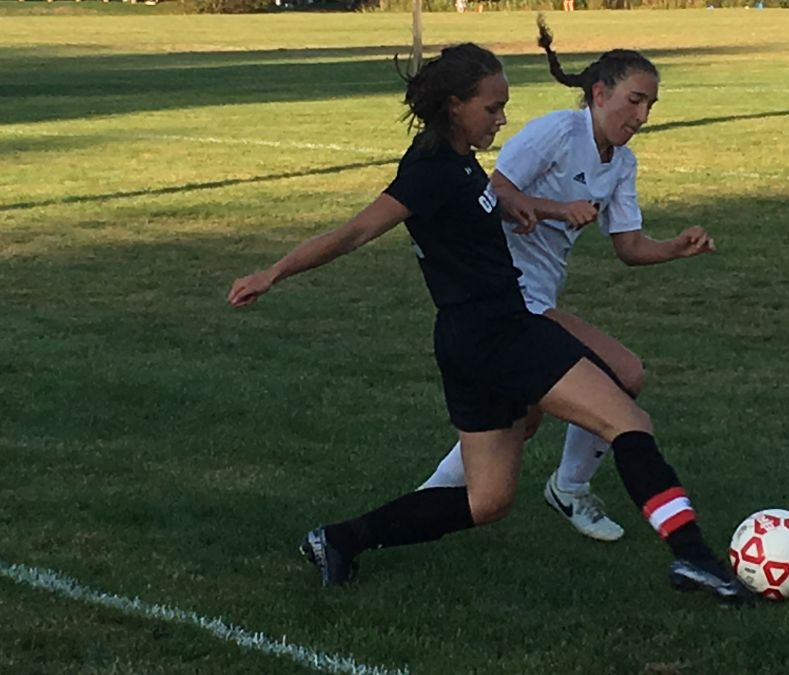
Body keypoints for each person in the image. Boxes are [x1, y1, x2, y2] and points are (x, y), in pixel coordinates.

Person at [226, 43, 745, 604]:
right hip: (502, 332)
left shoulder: (458, 158)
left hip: (468, 340)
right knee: (628, 420)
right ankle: (694, 558)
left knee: (488, 500)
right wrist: (272, 273)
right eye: (492, 108)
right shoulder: (430, 171)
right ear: (455, 105)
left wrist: (520, 206)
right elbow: (352, 233)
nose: (502, 119)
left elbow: (480, 205)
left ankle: (338, 539)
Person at [418, 17, 715, 545]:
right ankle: (569, 487)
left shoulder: (622, 163)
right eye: (634, 101)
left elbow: (628, 247)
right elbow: (492, 191)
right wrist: (557, 209)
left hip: (533, 298)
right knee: (623, 373)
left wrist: (676, 247)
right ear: (599, 94)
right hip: (507, 296)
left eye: (650, 106)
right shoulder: (558, 131)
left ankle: (415, 508)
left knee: (517, 422)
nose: (642, 116)